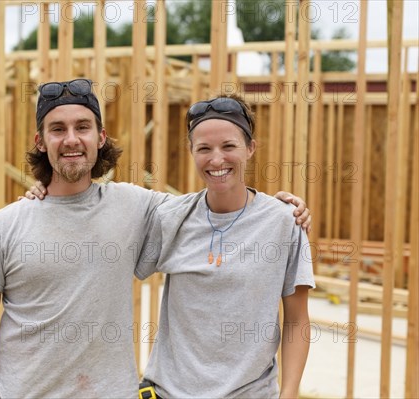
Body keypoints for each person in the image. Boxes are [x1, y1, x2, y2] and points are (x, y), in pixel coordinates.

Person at [0, 79, 310, 398]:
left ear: (100, 137)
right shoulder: (4, 226)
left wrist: (283, 209)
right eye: (57, 129)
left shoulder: (136, 207)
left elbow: (221, 204)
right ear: (41, 141)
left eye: (82, 127)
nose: (71, 139)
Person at [134, 94, 315, 398]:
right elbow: (97, 213)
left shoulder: (284, 222)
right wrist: (44, 189)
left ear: (250, 148)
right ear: (191, 151)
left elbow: (297, 319)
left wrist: (290, 393)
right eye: (204, 148)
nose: (216, 159)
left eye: (229, 146)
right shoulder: (170, 218)